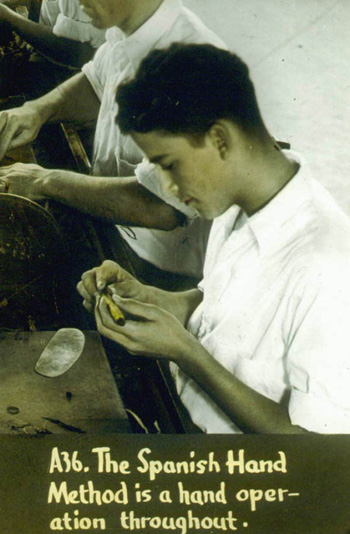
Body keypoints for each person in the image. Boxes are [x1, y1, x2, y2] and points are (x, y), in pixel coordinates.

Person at [77, 43, 350, 434]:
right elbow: (217, 307)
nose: (168, 187)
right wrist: (152, 299)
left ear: (220, 139)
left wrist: (185, 353)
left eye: (170, 166)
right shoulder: (236, 201)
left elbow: (317, 454)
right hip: (175, 409)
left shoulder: (330, 268)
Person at [0, 0, 225, 284]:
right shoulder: (131, 25)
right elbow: (95, 82)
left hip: (154, 265)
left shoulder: (194, 71)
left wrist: (43, 181)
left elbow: (161, 207)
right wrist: (36, 111)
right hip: (114, 221)